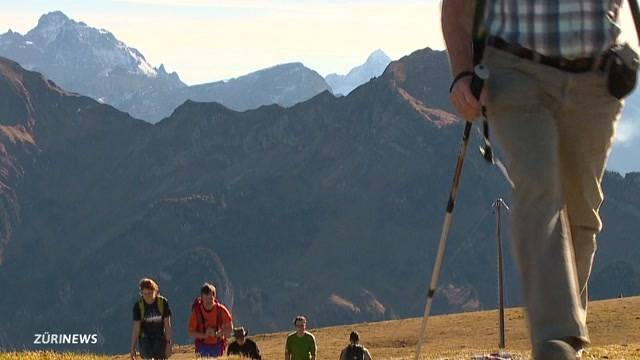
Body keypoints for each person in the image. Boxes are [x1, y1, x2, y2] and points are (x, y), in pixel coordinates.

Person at [442, 0, 627, 359]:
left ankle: (567, 344)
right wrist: (462, 73)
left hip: (596, 79)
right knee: (539, 190)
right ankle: (555, 342)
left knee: (582, 214)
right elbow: (457, 7)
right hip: (515, 72)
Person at [130, 277, 173, 359]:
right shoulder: (138, 306)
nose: (147, 297)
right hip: (145, 340)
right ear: (141, 293)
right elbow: (136, 328)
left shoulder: (162, 303)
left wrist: (168, 343)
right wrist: (133, 348)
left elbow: (167, 325)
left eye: (150, 293)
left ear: (155, 292)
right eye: (145, 294)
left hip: (160, 338)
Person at [188, 282, 233, 357]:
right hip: (202, 346)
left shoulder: (221, 310)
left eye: (210, 298)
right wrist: (204, 335)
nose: (208, 301)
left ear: (214, 297)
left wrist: (218, 334)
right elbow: (191, 332)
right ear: (201, 298)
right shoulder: (196, 312)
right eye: (205, 298)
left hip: (218, 345)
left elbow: (230, 328)